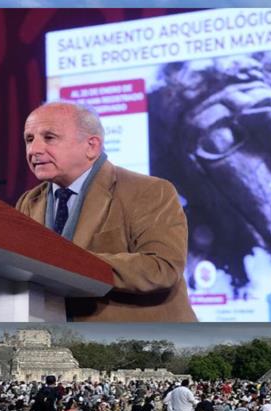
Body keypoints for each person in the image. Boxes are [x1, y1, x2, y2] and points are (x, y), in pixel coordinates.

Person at [16, 101, 195, 322]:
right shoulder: (28, 202)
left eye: (49, 137)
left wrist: (67, 262)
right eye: (29, 139)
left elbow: (161, 268)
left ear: (91, 146)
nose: (34, 150)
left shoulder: (149, 191)